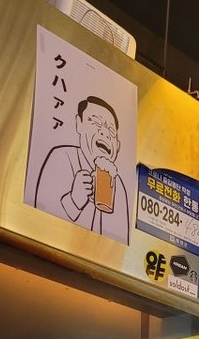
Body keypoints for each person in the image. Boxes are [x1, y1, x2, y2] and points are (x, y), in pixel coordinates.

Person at [34, 96, 129, 244]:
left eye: (111, 131)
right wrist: (74, 200)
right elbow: (37, 221)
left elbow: (118, 243)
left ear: (117, 145)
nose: (104, 133)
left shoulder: (118, 186)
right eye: (96, 122)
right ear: (79, 124)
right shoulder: (61, 156)